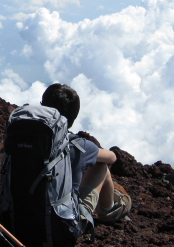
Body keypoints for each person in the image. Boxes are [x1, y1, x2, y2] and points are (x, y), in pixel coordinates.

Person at [40, 83, 131, 226]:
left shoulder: (22, 136)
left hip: (19, 213)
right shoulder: (79, 145)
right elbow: (112, 158)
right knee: (101, 166)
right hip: (61, 223)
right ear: (73, 117)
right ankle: (109, 210)